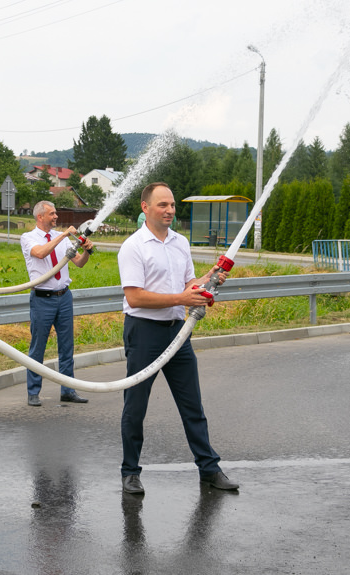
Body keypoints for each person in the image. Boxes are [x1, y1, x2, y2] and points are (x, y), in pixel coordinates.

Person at [117, 182, 238, 494]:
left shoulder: (180, 243)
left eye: (172, 205)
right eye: (162, 205)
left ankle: (209, 469)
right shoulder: (133, 247)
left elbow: (189, 284)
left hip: (177, 333)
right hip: (143, 332)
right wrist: (181, 298)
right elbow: (135, 297)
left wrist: (209, 278)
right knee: (135, 407)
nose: (170, 210)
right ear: (145, 208)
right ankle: (130, 472)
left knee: (192, 406)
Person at [20, 200, 93, 407]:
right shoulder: (28, 238)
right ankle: (33, 392)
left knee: (67, 347)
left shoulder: (61, 239)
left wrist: (87, 250)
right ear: (39, 217)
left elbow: (78, 262)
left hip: (64, 297)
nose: (56, 217)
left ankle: (68, 390)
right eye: (52, 214)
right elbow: (40, 253)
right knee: (38, 347)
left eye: (56, 214)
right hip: (43, 299)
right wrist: (63, 235)